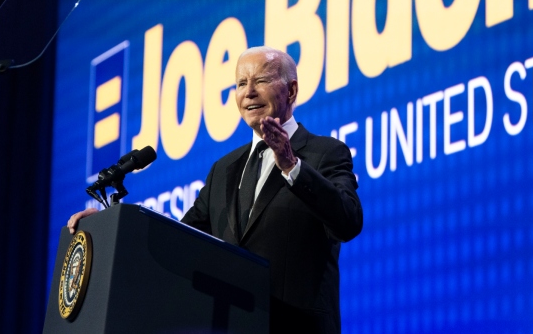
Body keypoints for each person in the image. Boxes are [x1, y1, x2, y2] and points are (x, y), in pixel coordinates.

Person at [68, 46, 363, 333]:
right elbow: (175, 239)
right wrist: (110, 224)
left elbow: (348, 221)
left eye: (260, 80)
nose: (248, 92)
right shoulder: (224, 169)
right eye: (241, 83)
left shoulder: (325, 153)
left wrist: (291, 165)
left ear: (292, 91)